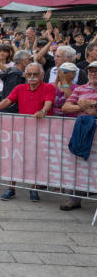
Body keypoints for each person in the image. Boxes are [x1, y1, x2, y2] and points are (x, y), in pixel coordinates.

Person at [0, 62, 53, 202]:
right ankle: (11, 188)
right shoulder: (20, 88)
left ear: (42, 75)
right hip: (22, 130)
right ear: (25, 75)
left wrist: (43, 111)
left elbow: (48, 102)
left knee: (37, 159)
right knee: (16, 159)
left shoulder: (48, 87)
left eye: (35, 74)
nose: (32, 76)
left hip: (41, 131)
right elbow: (8, 100)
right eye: (29, 74)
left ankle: (34, 188)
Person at [60, 60, 97, 211]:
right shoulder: (80, 89)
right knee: (78, 165)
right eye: (91, 71)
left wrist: (91, 104)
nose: (93, 74)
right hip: (83, 134)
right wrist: (83, 107)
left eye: (96, 71)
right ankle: (74, 199)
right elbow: (65, 107)